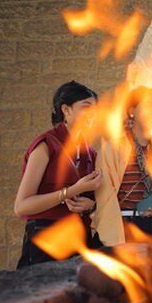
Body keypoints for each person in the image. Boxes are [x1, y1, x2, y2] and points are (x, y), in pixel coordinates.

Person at [14, 81, 102, 268]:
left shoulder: (92, 154)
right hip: (46, 238)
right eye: (86, 107)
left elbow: (98, 203)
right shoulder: (46, 145)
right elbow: (21, 207)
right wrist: (70, 192)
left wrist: (91, 207)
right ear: (66, 110)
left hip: (80, 240)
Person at [93, 86, 152, 244]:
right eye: (149, 106)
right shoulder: (112, 149)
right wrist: (113, 239)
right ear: (132, 111)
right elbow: (105, 197)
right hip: (123, 228)